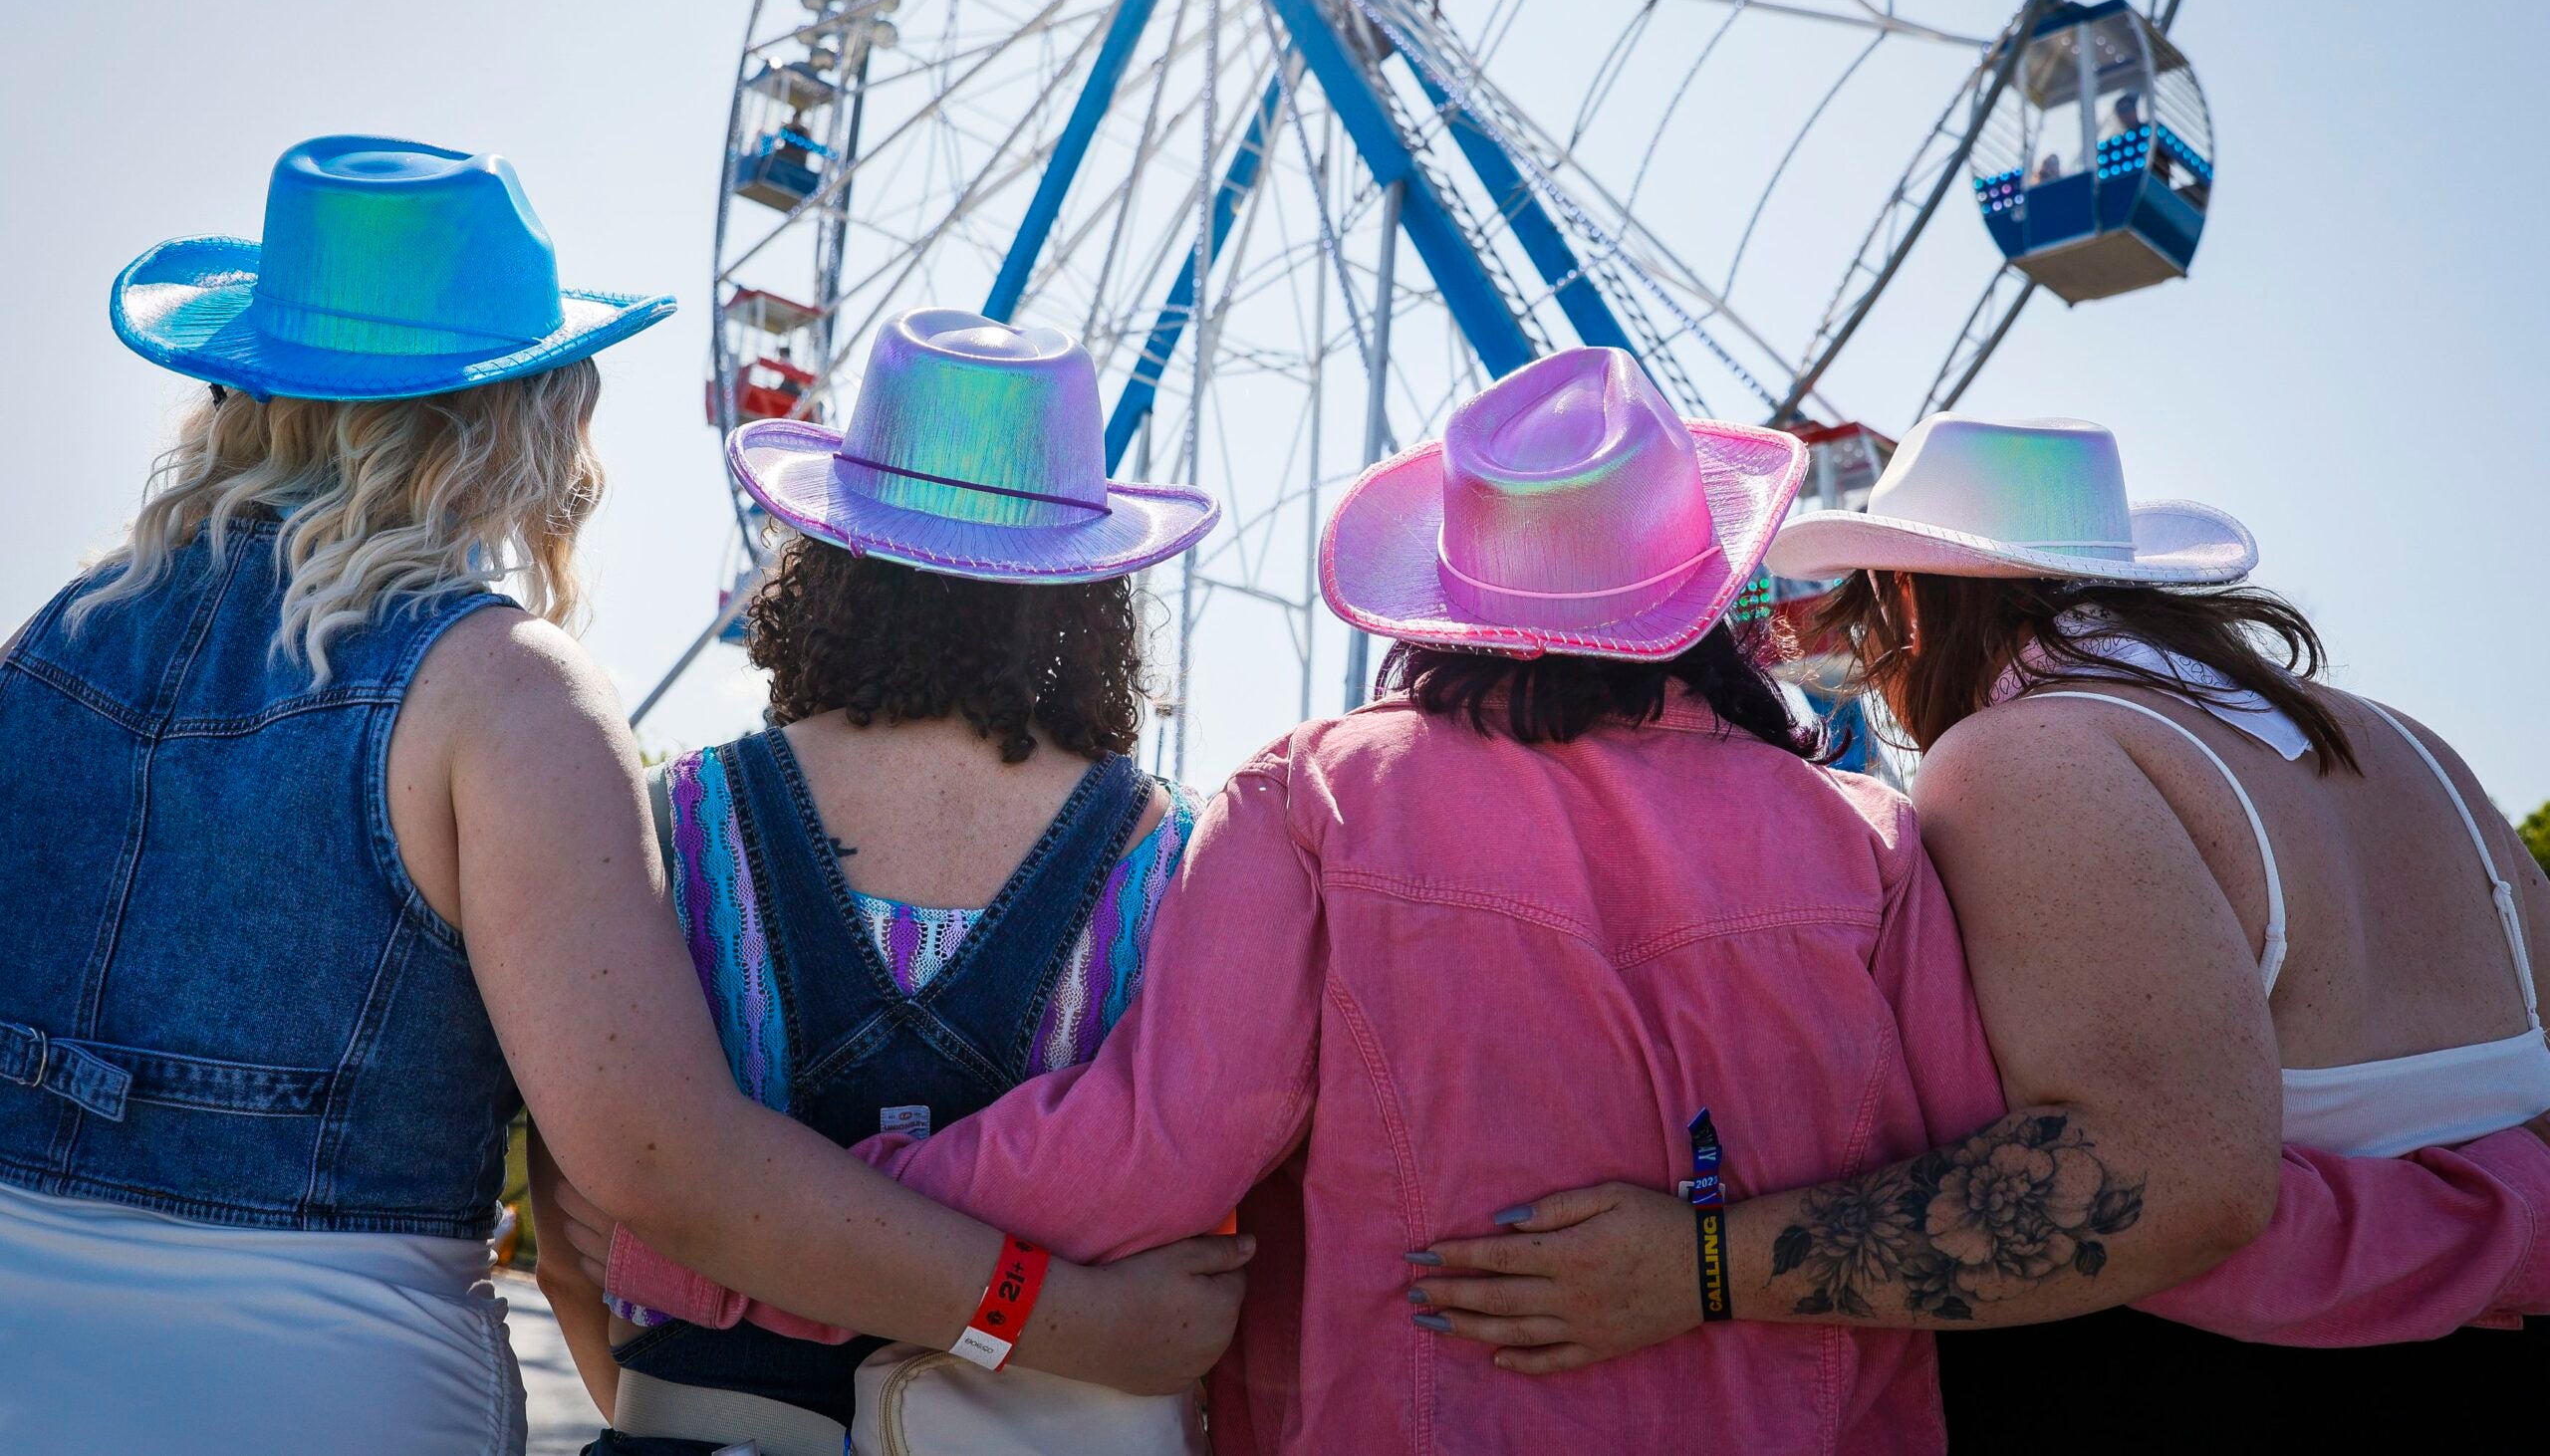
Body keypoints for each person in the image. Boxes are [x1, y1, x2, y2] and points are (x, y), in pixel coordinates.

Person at [0, 140, 1244, 1454]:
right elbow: (666, 1168)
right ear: (509, 415)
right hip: (327, 1383)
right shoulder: (503, 694)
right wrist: (1054, 1319)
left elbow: (596, 1236)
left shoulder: (42, 655)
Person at [592, 347, 2016, 1451]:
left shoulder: (1322, 798)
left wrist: (743, 1232)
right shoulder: (1871, 846)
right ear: (1699, 590)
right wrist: (1711, 1262)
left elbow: (1157, 1147)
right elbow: (1979, 1191)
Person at [1403, 414, 2550, 1440]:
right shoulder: (2409, 746)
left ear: (1910, 599)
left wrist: (1698, 1265)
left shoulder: (2032, 752)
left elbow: (2168, 1183)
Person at [531, 308, 1224, 1452]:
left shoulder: (674, 818)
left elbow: (571, 1247)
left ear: (832, 553)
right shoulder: (1173, 858)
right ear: (1089, 582)